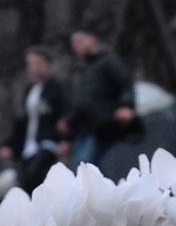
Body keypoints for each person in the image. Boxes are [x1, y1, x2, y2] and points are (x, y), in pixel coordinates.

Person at [59, 28, 138, 168]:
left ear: (93, 39)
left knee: (87, 166)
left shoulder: (108, 61)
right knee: (82, 168)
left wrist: (127, 106)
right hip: (86, 127)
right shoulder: (82, 71)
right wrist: (70, 122)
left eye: (80, 41)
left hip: (105, 124)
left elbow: (125, 83)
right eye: (75, 43)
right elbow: (82, 102)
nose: (77, 46)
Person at [0, 46, 68, 194]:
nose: (33, 68)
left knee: (34, 179)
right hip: (28, 148)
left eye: (37, 63)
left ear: (47, 64)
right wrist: (9, 145)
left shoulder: (57, 89)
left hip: (48, 144)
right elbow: (21, 122)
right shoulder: (30, 91)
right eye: (30, 64)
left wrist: (65, 140)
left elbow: (66, 116)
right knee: (24, 184)